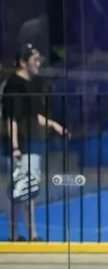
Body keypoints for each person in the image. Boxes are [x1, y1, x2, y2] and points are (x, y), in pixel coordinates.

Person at [0, 44, 68, 241]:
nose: (38, 63)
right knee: (24, 190)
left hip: (30, 143)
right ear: (23, 62)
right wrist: (15, 147)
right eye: (34, 60)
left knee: (22, 190)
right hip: (20, 146)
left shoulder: (30, 84)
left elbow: (32, 115)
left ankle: (18, 235)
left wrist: (55, 125)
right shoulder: (14, 86)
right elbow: (12, 119)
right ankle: (29, 235)